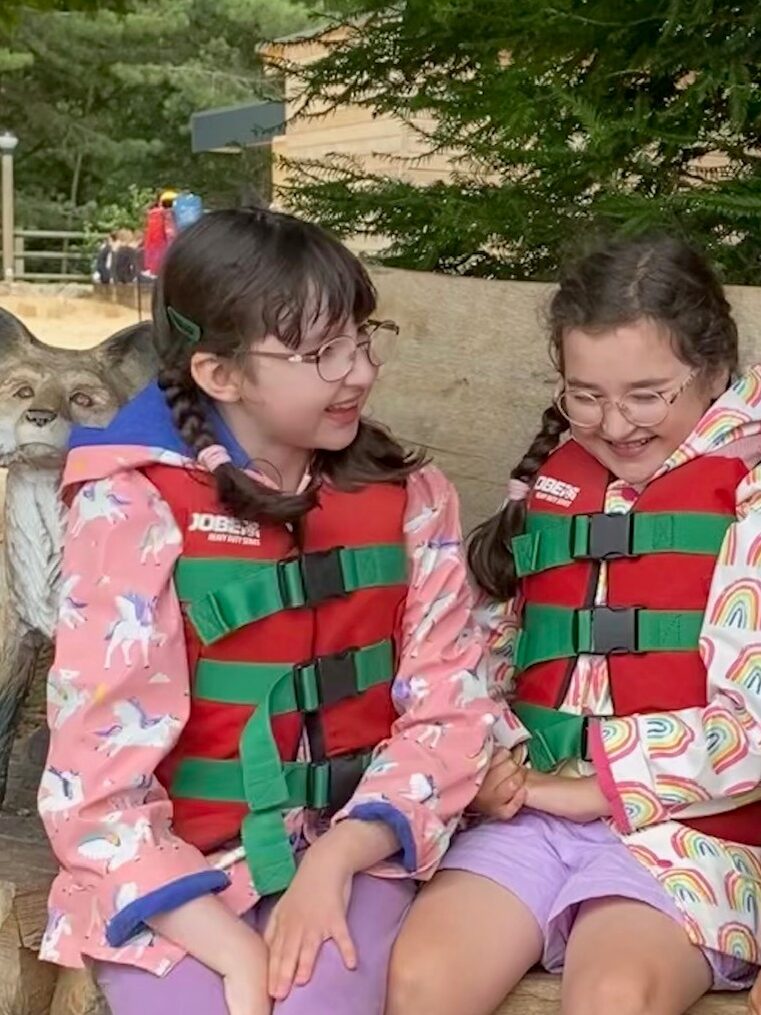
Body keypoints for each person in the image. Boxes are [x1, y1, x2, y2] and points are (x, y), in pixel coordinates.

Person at [38, 207, 507, 1015]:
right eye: (322, 353)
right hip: (168, 874)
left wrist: (337, 860)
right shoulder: (130, 503)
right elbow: (94, 781)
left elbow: (449, 712)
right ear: (220, 374)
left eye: (362, 337)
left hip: (354, 849)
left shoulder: (409, 498)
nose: (358, 371)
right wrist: (231, 953)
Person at [387, 235, 761, 1015]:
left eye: (645, 394)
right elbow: (483, 644)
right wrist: (482, 762)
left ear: (716, 368)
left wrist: (593, 787)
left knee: (611, 996)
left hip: (692, 836)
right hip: (525, 811)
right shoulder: (558, 475)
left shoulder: (747, 486)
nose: (613, 423)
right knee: (421, 979)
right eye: (584, 394)